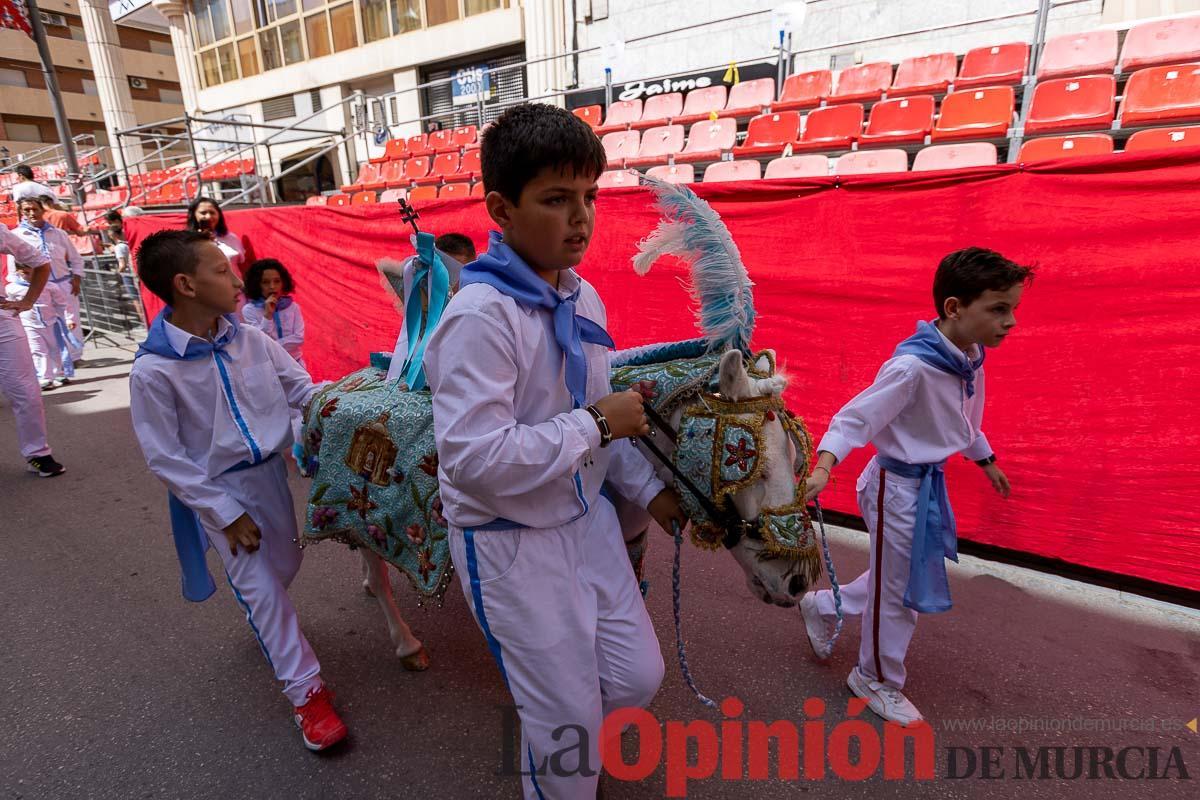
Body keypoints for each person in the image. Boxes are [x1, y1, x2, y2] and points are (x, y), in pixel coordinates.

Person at [423, 103, 687, 799]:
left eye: (590, 197)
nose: (581, 218)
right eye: (557, 199)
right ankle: (561, 765)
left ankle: (559, 750)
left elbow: (606, 421)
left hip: (585, 520)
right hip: (510, 543)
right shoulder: (480, 316)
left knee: (636, 678)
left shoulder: (584, 297)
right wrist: (597, 425)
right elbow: (474, 459)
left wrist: (654, 496)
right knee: (568, 735)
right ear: (502, 210)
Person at [128, 230, 347, 752]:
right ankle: (307, 695)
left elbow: (303, 389)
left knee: (284, 567)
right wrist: (223, 512)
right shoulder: (153, 371)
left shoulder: (252, 338)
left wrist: (351, 404)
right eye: (221, 270)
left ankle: (266, 617)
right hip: (217, 491)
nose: (235, 278)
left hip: (270, 476)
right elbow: (165, 456)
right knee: (263, 589)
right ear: (185, 285)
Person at [800, 247, 1034, 726]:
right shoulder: (912, 368)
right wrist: (824, 467)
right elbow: (854, 419)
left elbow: (963, 423)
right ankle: (874, 679)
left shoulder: (970, 358)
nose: (1010, 321)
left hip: (923, 488)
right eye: (998, 308)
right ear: (954, 307)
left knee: (898, 578)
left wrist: (985, 459)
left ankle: (825, 605)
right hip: (894, 489)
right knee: (900, 592)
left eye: (1012, 308)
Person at [0, 225, 66, 477]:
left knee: (26, 391)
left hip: (3, 320)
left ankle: (38, 453)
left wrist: (28, 301)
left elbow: (41, 263)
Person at [384, 232, 476, 383]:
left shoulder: (480, 304)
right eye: (447, 274)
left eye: (460, 273)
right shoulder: (422, 292)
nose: (453, 283)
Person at [8, 197, 84, 373]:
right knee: (44, 328)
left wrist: (77, 277)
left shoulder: (59, 234)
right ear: (21, 213)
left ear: (42, 210)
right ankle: (50, 368)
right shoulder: (16, 236)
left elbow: (75, 258)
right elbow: (14, 267)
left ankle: (74, 357)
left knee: (70, 321)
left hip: (63, 284)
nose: (32, 213)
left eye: (35, 209)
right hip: (38, 290)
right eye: (27, 210)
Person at [6, 261, 69, 388]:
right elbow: (10, 307)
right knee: (38, 350)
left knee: (54, 348)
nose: (24, 272)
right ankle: (44, 377)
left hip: (51, 322)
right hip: (29, 324)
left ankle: (59, 374)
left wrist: (68, 319)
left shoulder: (49, 286)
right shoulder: (12, 288)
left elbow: (61, 304)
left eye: (28, 269)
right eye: (21, 269)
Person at [186, 197, 249, 275]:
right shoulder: (187, 241)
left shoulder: (231, 238)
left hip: (234, 285)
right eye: (203, 213)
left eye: (212, 212)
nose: (208, 217)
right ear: (193, 215)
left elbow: (241, 261)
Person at [105, 210, 136, 300]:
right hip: (129, 263)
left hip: (130, 267)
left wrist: (117, 248)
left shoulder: (126, 230)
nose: (110, 225)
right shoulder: (121, 231)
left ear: (117, 220)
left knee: (135, 298)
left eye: (110, 222)